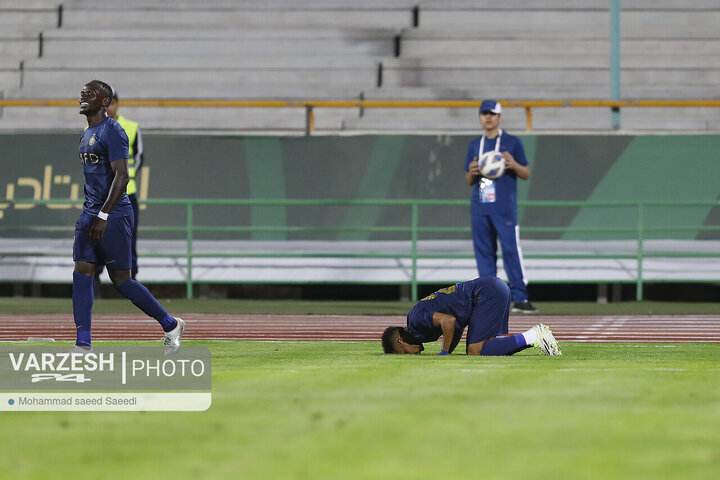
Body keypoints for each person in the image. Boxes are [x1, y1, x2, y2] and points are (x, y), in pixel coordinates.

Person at [73, 80, 184, 355]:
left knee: (122, 280)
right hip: (90, 212)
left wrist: (102, 214)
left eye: (91, 93)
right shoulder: (87, 132)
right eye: (83, 91)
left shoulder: (114, 130)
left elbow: (122, 176)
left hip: (113, 214)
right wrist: (90, 212)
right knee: (82, 270)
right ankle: (83, 344)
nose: (83, 95)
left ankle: (170, 324)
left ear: (105, 102)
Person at [465, 99, 536, 313]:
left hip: (504, 208)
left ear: (499, 117)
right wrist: (471, 171)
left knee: (510, 251)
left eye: (492, 113)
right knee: (484, 254)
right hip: (480, 207)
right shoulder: (474, 145)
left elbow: (525, 173)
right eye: (484, 113)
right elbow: (469, 181)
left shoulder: (512, 142)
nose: (488, 117)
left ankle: (520, 297)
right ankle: (488, 299)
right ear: (480, 117)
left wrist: (513, 164)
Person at [381, 277, 560, 356]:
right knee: (490, 346)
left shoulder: (416, 320)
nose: (410, 356)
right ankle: (536, 338)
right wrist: (449, 351)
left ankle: (534, 335)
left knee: (475, 351)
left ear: (401, 342)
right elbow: (457, 325)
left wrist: (444, 353)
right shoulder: (417, 325)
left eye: (402, 354)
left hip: (486, 293)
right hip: (493, 288)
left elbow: (448, 322)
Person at [93, 89, 143, 294]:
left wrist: (122, 178)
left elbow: (139, 158)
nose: (109, 107)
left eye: (111, 103)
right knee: (97, 238)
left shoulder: (131, 127)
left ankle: (132, 285)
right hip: (102, 195)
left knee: (128, 239)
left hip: (126, 194)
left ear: (117, 104)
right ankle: (94, 283)